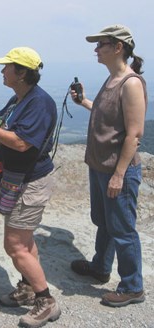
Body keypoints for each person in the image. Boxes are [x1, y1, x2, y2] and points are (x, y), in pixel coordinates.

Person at [0, 47, 61, 327]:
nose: (2, 71)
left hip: (30, 182)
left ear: (21, 72)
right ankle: (29, 286)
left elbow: (22, 142)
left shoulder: (39, 103)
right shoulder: (20, 98)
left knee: (15, 245)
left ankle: (46, 301)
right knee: (25, 240)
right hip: (17, 178)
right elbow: (8, 132)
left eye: (7, 66)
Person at [70, 25, 147, 307]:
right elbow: (110, 116)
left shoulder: (131, 83)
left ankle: (132, 287)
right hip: (100, 166)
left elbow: (134, 134)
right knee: (104, 222)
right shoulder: (113, 79)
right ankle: (100, 268)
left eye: (101, 44)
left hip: (117, 171)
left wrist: (119, 174)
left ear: (118, 47)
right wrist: (85, 102)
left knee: (123, 230)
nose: (96, 49)